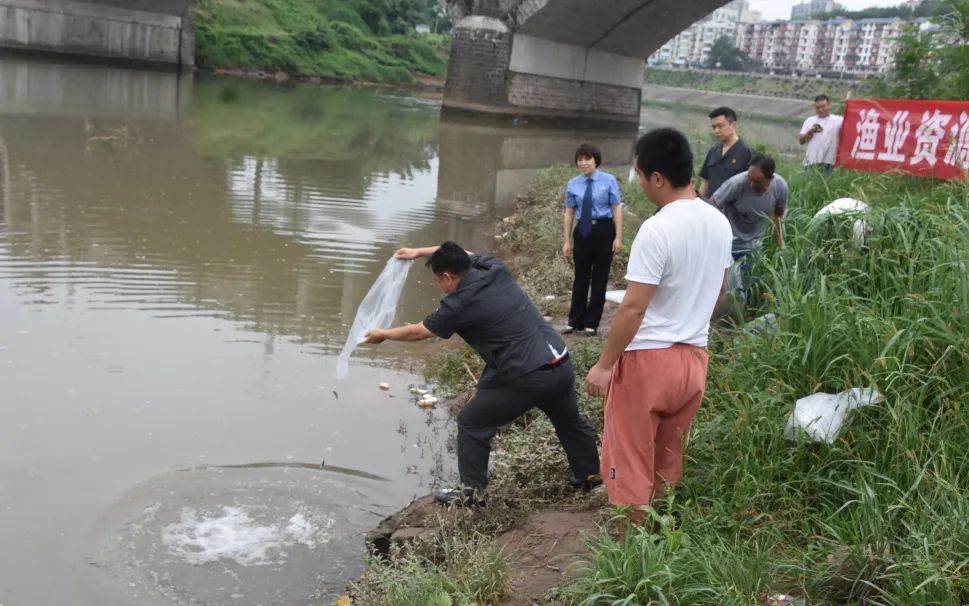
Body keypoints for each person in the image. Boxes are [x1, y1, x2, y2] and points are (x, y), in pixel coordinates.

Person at [364, 242, 600, 507]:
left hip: (525, 374)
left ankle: (472, 495)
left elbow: (420, 331)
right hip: (559, 360)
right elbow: (462, 252)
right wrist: (418, 253)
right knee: (569, 421)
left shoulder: (458, 305)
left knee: (472, 423)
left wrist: (384, 334)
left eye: (437, 281)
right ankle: (590, 474)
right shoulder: (492, 268)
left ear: (448, 277)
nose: (438, 286)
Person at [584, 129, 733, 524]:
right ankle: (660, 537)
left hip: (649, 362)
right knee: (668, 455)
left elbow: (633, 308)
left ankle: (630, 552)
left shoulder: (658, 227)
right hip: (694, 360)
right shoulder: (719, 223)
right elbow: (719, 291)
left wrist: (603, 365)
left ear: (657, 178)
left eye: (641, 175)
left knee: (629, 456)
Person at [562, 143, 622, 337]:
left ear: (596, 160)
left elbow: (616, 209)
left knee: (600, 277)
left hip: (604, 230)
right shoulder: (573, 184)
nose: (583, 163)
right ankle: (575, 320)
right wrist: (566, 241)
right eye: (580, 159)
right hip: (583, 231)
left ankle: (591, 323)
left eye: (587, 159)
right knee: (581, 276)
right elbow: (569, 213)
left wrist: (618, 237)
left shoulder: (609, 180)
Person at [710, 153, 788, 262]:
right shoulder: (735, 184)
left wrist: (779, 243)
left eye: (757, 182)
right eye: (749, 179)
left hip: (755, 247)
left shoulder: (780, 187)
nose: (751, 184)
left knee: (752, 278)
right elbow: (711, 205)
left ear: (769, 179)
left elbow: (778, 215)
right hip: (729, 245)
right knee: (733, 278)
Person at [697, 107, 753, 200]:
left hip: (732, 211)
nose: (716, 131)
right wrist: (699, 202)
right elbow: (706, 181)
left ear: (733, 125)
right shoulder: (713, 151)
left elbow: (751, 187)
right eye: (714, 127)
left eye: (720, 126)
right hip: (710, 208)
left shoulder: (746, 153)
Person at [798, 94, 843, 173]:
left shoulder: (839, 120)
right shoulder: (810, 120)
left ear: (829, 105)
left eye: (823, 106)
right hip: (811, 162)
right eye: (818, 107)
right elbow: (801, 141)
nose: (821, 109)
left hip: (830, 162)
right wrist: (811, 131)